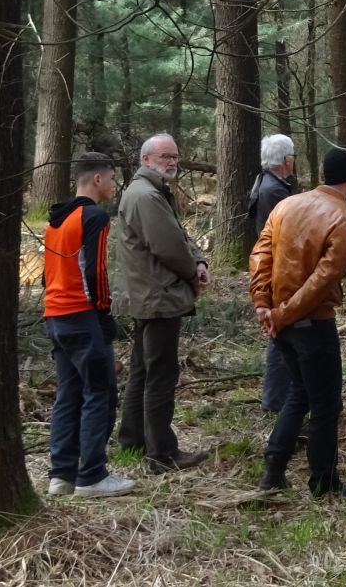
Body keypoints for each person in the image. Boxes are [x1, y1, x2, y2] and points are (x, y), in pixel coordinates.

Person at [249, 143, 346, 498]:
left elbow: (260, 255)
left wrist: (264, 306)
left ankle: (273, 470)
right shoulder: (344, 218)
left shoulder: (287, 204)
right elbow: (322, 280)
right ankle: (324, 483)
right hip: (312, 325)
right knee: (326, 406)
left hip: (284, 324)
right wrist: (277, 313)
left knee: (299, 394)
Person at [113, 132, 210, 473]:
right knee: (160, 375)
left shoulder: (151, 192)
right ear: (146, 160)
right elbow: (168, 247)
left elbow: (178, 236)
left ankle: (133, 442)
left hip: (151, 295)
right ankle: (162, 454)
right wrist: (192, 273)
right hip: (158, 296)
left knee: (142, 370)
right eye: (165, 156)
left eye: (175, 156)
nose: (172, 162)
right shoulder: (145, 195)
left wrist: (199, 260)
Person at [43, 153, 136, 498]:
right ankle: (92, 476)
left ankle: (61, 475)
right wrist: (103, 314)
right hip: (81, 315)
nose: (114, 184)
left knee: (68, 394)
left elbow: (47, 275)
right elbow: (96, 272)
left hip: (55, 315)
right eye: (111, 178)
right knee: (100, 392)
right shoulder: (93, 217)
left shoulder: (56, 220)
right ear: (97, 179)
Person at [251, 133, 300, 414]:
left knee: (281, 334)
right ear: (286, 160)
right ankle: (276, 401)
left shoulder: (267, 183)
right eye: (292, 157)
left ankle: (282, 398)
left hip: (275, 268)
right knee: (280, 335)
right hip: (278, 269)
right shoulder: (274, 191)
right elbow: (286, 236)